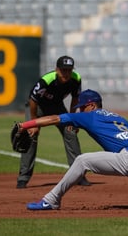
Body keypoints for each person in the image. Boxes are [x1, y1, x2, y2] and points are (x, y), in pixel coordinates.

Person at [16, 56, 90, 189]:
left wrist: (73, 119)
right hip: (37, 107)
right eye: (63, 70)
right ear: (57, 69)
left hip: (57, 106)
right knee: (31, 135)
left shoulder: (76, 79)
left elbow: (75, 99)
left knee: (70, 132)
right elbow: (32, 100)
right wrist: (34, 123)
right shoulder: (47, 80)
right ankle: (23, 178)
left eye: (69, 70)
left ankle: (79, 176)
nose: (66, 73)